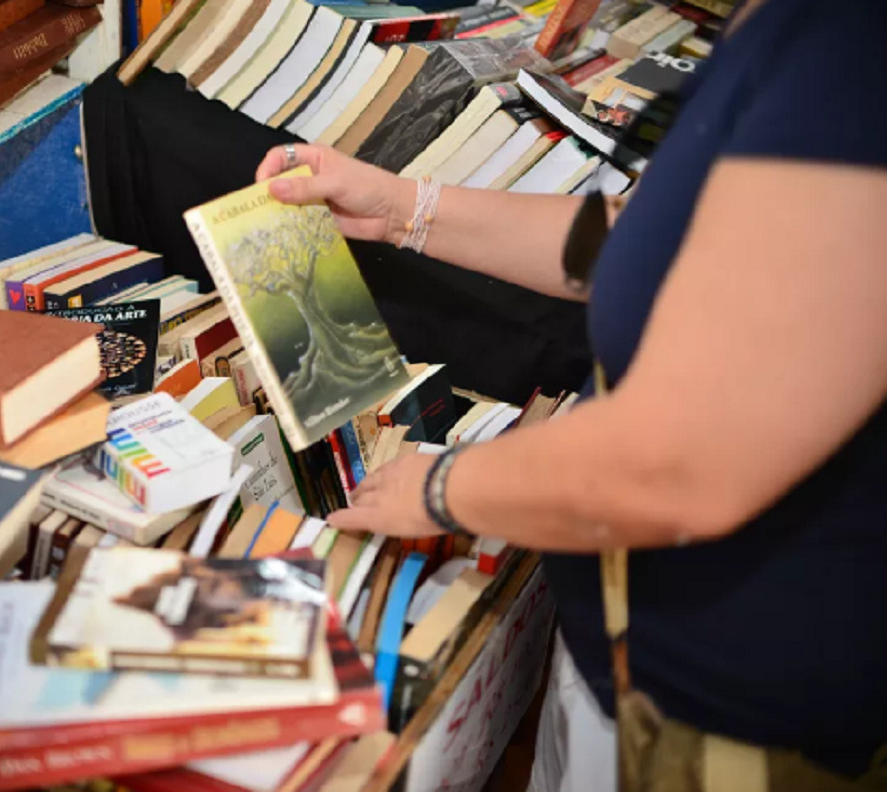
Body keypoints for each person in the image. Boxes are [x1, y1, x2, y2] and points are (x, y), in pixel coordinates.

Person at [255, 0, 887, 790]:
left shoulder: (851, 48)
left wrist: (446, 488)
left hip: (736, 716)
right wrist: (404, 211)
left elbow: (687, 458)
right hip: (636, 660)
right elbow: (668, 239)